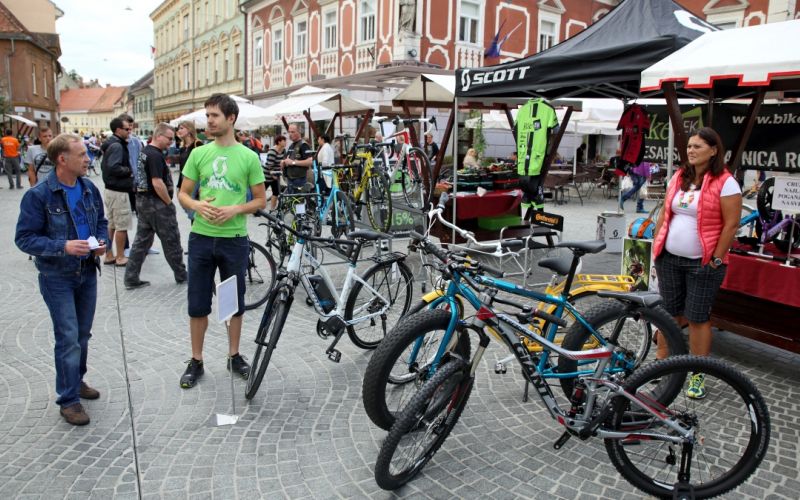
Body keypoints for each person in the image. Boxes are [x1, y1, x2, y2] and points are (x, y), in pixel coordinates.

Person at [15, 133, 108, 425]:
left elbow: (101, 222)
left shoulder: (89, 188)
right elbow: (24, 238)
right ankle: (68, 400)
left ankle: (76, 380)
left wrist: (101, 241)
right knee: (68, 337)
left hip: (87, 271)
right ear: (62, 159)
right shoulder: (39, 195)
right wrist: (63, 246)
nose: (88, 159)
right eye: (81, 155)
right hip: (57, 276)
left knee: (82, 335)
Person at [177, 93, 267, 389]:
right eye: (207, 115)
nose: (209, 121)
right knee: (197, 302)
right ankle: (196, 359)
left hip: (234, 240)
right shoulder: (199, 154)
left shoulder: (248, 157)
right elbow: (183, 193)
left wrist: (234, 209)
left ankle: (234, 355)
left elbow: (260, 200)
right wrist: (196, 205)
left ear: (231, 118)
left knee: (233, 303)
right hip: (201, 238)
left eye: (214, 115)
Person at [652, 127, 742, 399]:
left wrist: (716, 259)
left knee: (697, 318)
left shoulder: (725, 182)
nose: (691, 150)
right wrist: (657, 246)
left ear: (713, 150)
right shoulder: (680, 176)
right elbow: (665, 213)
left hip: (702, 263)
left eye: (698, 146)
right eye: (689, 146)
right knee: (668, 313)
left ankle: (697, 374)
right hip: (669, 259)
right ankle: (662, 364)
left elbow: (731, 224)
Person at [124, 123, 187, 289]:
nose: (171, 142)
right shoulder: (155, 155)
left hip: (143, 202)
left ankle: (131, 277)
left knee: (141, 242)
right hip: (156, 204)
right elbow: (157, 183)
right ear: (158, 136)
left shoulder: (145, 152)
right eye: (169, 138)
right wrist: (169, 203)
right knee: (171, 240)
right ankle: (182, 274)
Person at [100, 117, 134, 266]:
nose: (129, 131)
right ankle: (120, 257)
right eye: (127, 129)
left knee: (112, 224)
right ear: (118, 130)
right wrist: (128, 171)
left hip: (111, 189)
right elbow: (113, 167)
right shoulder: (117, 146)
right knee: (121, 225)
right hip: (119, 190)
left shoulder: (111, 144)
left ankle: (109, 254)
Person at [280, 124, 314, 193]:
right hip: (290, 179)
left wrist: (293, 162)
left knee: (298, 199)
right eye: (289, 132)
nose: (290, 134)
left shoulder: (303, 145)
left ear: (299, 132)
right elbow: (288, 159)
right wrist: (283, 162)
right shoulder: (291, 145)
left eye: (293, 132)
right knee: (291, 199)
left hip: (299, 179)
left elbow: (310, 161)